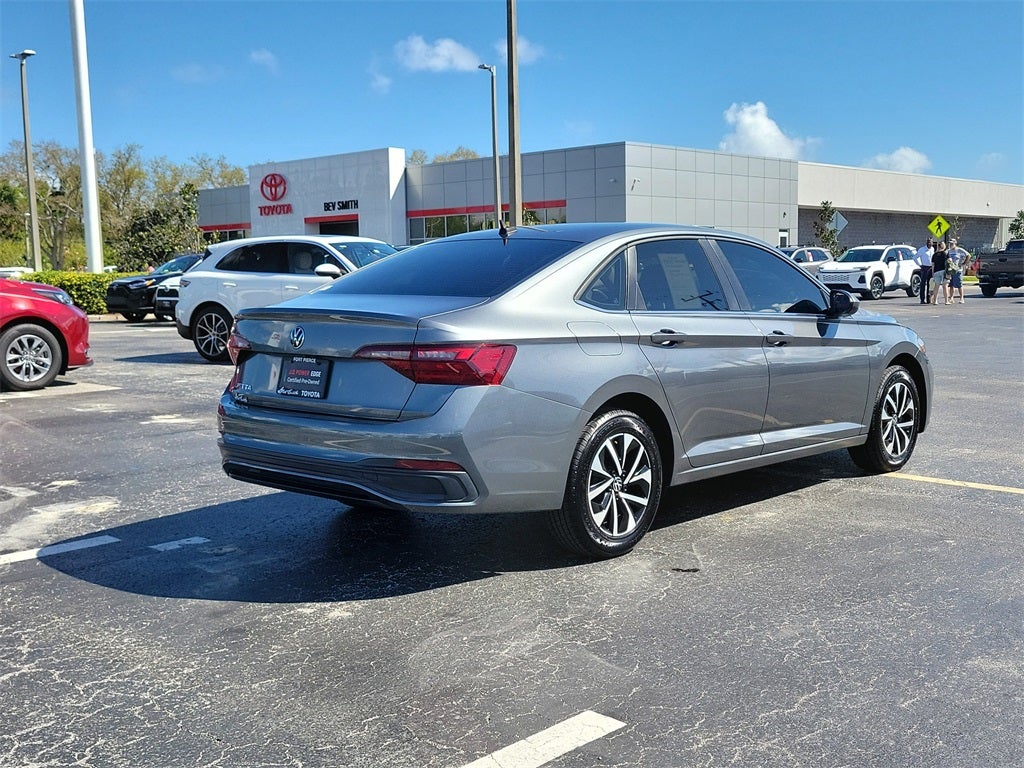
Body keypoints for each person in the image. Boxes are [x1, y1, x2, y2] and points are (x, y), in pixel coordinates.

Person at [946, 238, 971, 304]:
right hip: (950, 269)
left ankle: (961, 298)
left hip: (957, 269)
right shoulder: (948, 251)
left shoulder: (959, 250)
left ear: (955, 243)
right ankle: (951, 298)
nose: (951, 244)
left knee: (959, 284)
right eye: (950, 243)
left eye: (952, 243)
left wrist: (963, 263)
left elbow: (968, 255)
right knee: (951, 284)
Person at [914, 238, 934, 303]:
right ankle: (922, 299)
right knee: (923, 284)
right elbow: (915, 257)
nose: (929, 243)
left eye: (930, 242)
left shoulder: (932, 249)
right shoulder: (922, 249)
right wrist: (920, 265)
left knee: (930, 284)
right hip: (924, 268)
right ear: (926, 243)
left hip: (931, 268)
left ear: (932, 243)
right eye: (928, 242)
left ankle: (929, 299)